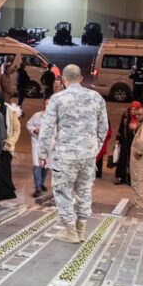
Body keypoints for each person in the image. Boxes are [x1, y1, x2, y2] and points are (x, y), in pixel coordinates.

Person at [39, 64, 108, 244]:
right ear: (81, 78)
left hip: (66, 155)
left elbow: (47, 128)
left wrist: (42, 153)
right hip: (88, 155)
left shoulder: (57, 99)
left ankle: (70, 230)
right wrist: (95, 147)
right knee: (84, 191)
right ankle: (81, 229)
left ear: (63, 79)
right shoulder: (96, 97)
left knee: (62, 191)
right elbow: (104, 127)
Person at [114, 101, 141, 185]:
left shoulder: (140, 118)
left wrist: (135, 128)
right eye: (131, 109)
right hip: (125, 141)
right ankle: (120, 177)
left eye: (135, 110)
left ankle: (131, 179)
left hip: (135, 143)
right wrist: (118, 138)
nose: (133, 111)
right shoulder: (126, 115)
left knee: (133, 161)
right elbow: (121, 127)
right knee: (122, 159)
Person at [27, 99, 50, 197]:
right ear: (44, 104)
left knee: (46, 166)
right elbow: (29, 124)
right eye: (47, 104)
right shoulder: (37, 115)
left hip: (49, 145)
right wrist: (34, 130)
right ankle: (38, 188)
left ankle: (41, 183)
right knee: (37, 165)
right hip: (37, 144)